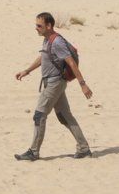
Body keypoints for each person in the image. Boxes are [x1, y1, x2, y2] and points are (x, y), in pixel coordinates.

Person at [13, 11, 92, 161]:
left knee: (39, 115)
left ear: (49, 26)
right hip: (54, 83)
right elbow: (43, 57)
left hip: (54, 84)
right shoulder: (47, 39)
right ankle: (84, 148)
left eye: (39, 25)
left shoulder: (57, 42)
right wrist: (27, 70)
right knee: (64, 116)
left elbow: (71, 64)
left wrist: (83, 84)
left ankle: (33, 151)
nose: (36, 28)